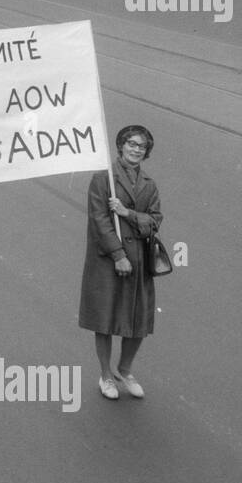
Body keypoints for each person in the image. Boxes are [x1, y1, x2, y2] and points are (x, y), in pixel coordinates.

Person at [78, 124, 163, 401]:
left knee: (138, 319)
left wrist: (127, 213)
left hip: (139, 261)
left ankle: (124, 370)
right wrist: (118, 255)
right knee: (105, 319)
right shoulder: (104, 179)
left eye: (142, 146)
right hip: (108, 260)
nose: (136, 150)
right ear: (120, 146)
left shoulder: (149, 184)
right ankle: (105, 375)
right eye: (132, 144)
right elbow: (100, 221)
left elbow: (155, 220)